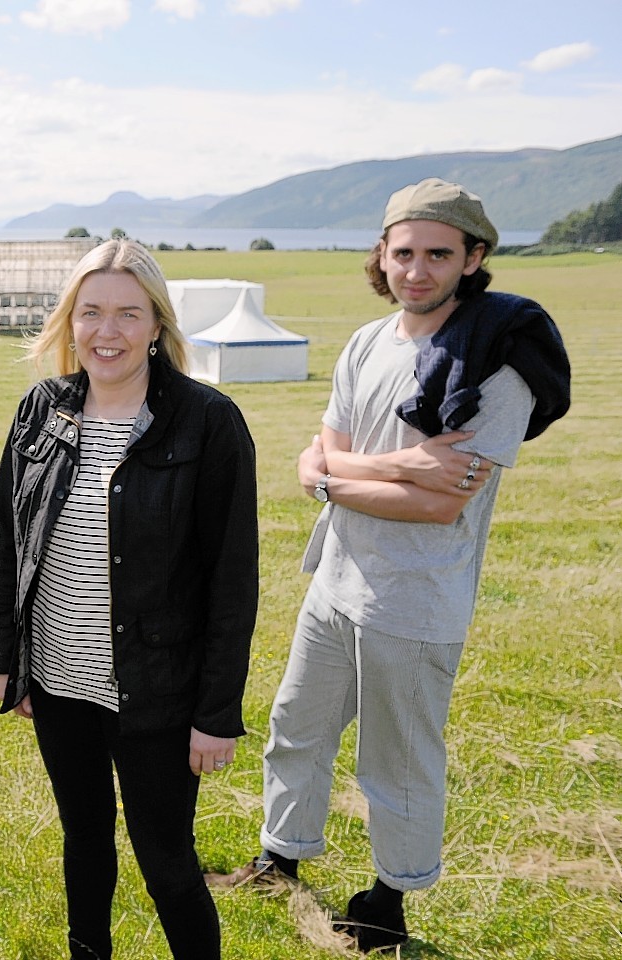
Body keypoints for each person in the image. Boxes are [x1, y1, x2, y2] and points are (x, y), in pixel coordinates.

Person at [211, 179, 570, 952]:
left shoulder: (495, 369)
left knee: (397, 764)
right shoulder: (367, 341)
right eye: (403, 252)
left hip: (415, 599)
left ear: (473, 258)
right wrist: (401, 463)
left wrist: (337, 480)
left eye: (439, 254)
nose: (417, 270)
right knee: (294, 729)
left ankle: (388, 901)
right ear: (382, 253)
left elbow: (440, 505)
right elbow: (321, 452)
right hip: (334, 583)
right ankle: (281, 857)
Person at [0, 239, 258, 960]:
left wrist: (217, 715)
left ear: (158, 325)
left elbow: (234, 581)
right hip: (59, 682)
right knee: (83, 841)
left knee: (166, 861)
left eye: (128, 315)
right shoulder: (42, 410)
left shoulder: (208, 422)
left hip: (158, 694)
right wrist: (7, 663)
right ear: (70, 322)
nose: (108, 333)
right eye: (92, 312)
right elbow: (7, 545)